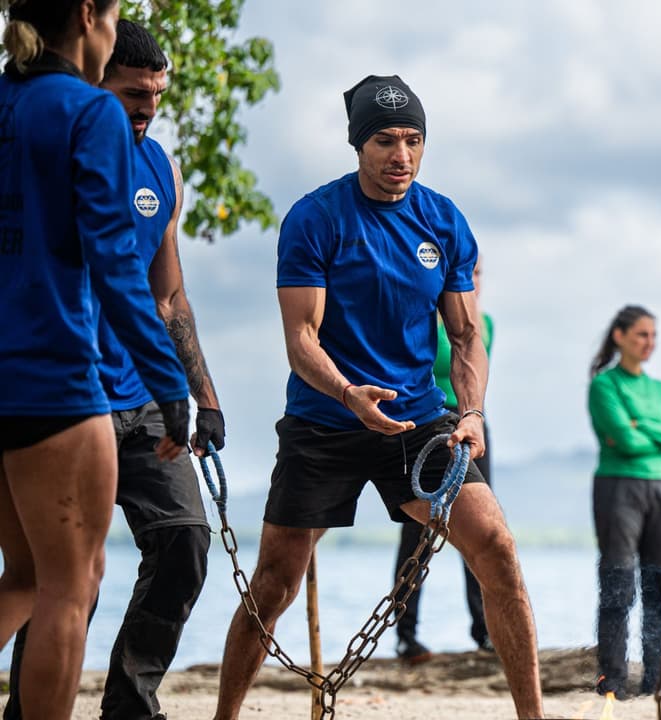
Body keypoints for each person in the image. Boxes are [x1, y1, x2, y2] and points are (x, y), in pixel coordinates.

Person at [211, 74, 543, 720]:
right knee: (274, 583)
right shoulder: (315, 218)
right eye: (386, 141)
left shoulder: (443, 220)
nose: (402, 156)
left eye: (414, 140)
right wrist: (346, 391)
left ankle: (532, 715)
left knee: (497, 547)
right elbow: (301, 338)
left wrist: (471, 412)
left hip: (417, 420)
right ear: (358, 144)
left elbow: (466, 333)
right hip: (324, 418)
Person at [3, 19, 224, 720]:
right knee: (67, 583)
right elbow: (113, 265)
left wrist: (201, 395)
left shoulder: (160, 167)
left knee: (178, 541)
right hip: (68, 388)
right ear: (91, 37)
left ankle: (131, 704)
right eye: (134, 94)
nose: (146, 110)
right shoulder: (73, 118)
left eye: (157, 97)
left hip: (130, 393)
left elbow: (168, 292)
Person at [587, 305, 661, 699]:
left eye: (653, 336)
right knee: (618, 585)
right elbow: (624, 442)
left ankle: (657, 680)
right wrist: (660, 434)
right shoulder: (604, 385)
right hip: (619, 488)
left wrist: (642, 425)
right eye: (641, 335)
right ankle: (612, 679)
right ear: (620, 336)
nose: (649, 343)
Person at [394, 254, 495, 661]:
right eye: (465, 274)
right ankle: (406, 634)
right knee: (417, 534)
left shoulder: (486, 325)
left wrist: (475, 418)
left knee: (482, 531)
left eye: (477, 274)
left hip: (470, 426)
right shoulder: (423, 319)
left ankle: (484, 631)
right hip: (426, 428)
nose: (471, 281)